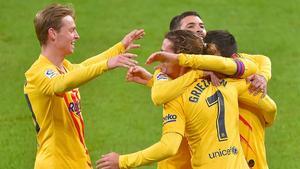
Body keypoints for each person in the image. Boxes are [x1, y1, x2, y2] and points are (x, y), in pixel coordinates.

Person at [96, 30, 275, 169]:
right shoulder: (227, 82)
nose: (160, 57)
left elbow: (169, 147)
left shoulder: (174, 98)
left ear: (179, 58)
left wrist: (122, 161)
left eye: (164, 53)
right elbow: (260, 86)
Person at [24, 3, 144, 169]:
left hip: (77, 162)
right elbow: (60, 84)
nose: (77, 36)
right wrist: (107, 64)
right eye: (71, 30)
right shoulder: (37, 72)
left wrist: (119, 47)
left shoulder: (65, 67)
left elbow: (86, 66)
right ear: (52, 34)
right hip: (56, 164)